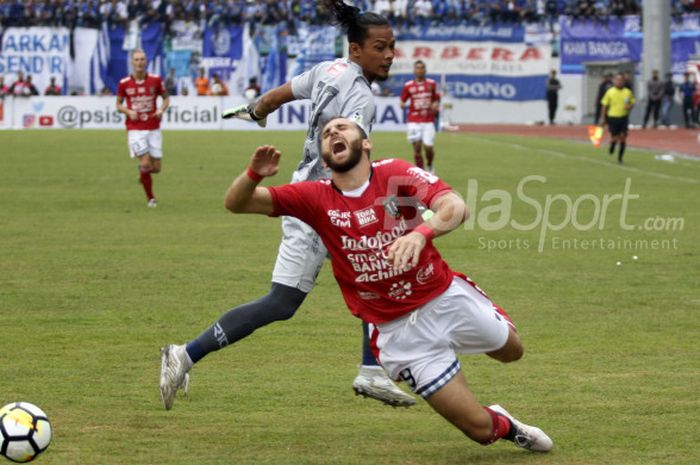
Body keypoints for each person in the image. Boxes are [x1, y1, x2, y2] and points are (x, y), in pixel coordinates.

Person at [221, 116, 554, 453]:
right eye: (326, 134)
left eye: (343, 128)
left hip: (445, 299)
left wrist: (421, 234)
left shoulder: (395, 172)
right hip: (400, 334)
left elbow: (455, 206)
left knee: (513, 352)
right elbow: (237, 203)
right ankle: (510, 426)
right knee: (480, 431)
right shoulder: (313, 196)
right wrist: (252, 175)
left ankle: (483, 320)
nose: (333, 132)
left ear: (366, 144)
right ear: (324, 159)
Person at [159, 1, 415, 411]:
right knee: (367, 274)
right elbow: (345, 153)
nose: (388, 55)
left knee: (307, 294)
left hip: (308, 196)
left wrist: (255, 110)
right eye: (380, 47)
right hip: (325, 200)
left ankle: (185, 355)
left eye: (392, 47)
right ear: (355, 50)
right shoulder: (361, 98)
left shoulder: (327, 70)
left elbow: (279, 96)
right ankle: (371, 370)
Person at [116, 49, 170, 208]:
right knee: (146, 162)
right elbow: (118, 104)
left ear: (146, 62)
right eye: (137, 60)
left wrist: (161, 109)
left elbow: (166, 99)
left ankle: (143, 173)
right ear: (132, 63)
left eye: (142, 59)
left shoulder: (155, 80)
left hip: (153, 127)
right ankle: (151, 199)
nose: (140, 62)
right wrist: (128, 111)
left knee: (156, 168)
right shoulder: (124, 83)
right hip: (135, 129)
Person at [400, 60, 440, 173]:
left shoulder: (431, 84)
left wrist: (435, 104)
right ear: (414, 70)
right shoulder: (408, 85)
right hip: (414, 120)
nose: (420, 70)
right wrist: (402, 104)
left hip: (428, 121)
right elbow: (402, 100)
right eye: (417, 68)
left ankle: (430, 165)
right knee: (417, 148)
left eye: (422, 68)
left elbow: (436, 98)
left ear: (425, 70)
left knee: (428, 147)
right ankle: (421, 171)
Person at [601, 73, 635, 164]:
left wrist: (630, 106)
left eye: (621, 80)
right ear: (614, 81)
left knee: (623, 138)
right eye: (618, 80)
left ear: (624, 81)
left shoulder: (627, 92)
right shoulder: (610, 92)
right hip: (613, 117)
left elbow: (632, 102)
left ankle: (620, 158)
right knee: (615, 138)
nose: (619, 82)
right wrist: (603, 118)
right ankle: (612, 145)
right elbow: (604, 106)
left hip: (624, 117)